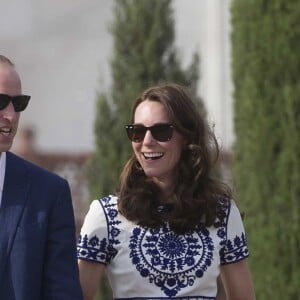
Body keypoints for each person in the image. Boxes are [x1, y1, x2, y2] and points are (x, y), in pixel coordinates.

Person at [77, 83, 256, 299]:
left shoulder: (222, 214)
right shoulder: (105, 215)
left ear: (187, 137)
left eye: (161, 131)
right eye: (138, 132)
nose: (147, 142)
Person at [0, 54, 83, 300]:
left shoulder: (48, 192)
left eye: (18, 104)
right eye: (1, 101)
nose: (11, 115)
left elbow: (62, 292)